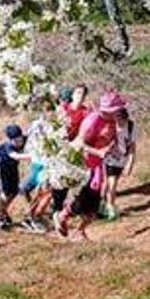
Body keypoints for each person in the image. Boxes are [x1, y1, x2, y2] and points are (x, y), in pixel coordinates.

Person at [54, 91, 122, 240]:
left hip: (98, 166)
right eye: (117, 109)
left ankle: (80, 230)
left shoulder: (112, 121)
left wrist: (114, 149)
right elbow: (79, 144)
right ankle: (62, 216)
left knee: (94, 206)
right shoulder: (92, 121)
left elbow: (111, 138)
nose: (119, 112)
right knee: (81, 200)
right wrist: (98, 152)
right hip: (84, 165)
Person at [52, 84, 92, 214]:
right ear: (73, 95)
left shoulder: (86, 112)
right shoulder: (63, 109)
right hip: (61, 147)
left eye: (83, 94)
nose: (80, 96)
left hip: (77, 149)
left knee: (75, 177)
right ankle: (56, 208)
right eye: (78, 93)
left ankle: (71, 208)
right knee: (60, 178)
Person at [0, 123, 29, 230]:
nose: (19, 143)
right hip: (1, 169)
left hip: (12, 169)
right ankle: (1, 216)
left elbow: (33, 135)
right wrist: (32, 156)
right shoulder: (8, 146)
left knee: (14, 191)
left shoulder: (24, 139)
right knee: (4, 193)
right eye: (16, 141)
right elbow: (14, 156)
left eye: (20, 140)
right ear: (10, 140)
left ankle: (2, 211)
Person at [102, 103, 137, 220]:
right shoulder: (110, 125)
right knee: (110, 183)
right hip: (107, 158)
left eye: (121, 120)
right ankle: (109, 206)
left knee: (109, 184)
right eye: (116, 119)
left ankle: (105, 205)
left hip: (121, 160)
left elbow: (132, 148)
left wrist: (130, 164)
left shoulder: (131, 127)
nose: (119, 123)